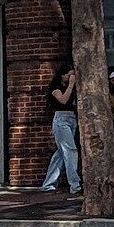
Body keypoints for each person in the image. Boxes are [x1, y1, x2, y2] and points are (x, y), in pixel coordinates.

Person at [40, 64, 81, 195]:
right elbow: (63, 100)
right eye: (69, 75)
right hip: (61, 119)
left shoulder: (74, 87)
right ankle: (75, 184)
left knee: (61, 153)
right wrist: (71, 85)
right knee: (70, 151)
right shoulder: (55, 87)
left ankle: (49, 183)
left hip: (72, 118)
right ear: (62, 75)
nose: (71, 78)